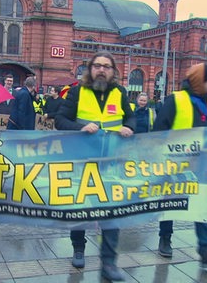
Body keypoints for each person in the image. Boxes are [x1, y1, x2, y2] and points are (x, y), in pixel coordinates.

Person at [55, 51, 136, 281]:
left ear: (113, 71)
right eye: (97, 65)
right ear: (90, 69)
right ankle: (78, 248)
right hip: (83, 162)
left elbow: (131, 118)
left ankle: (109, 262)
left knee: (112, 210)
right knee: (80, 207)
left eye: (107, 66)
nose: (101, 69)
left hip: (111, 163)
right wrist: (79, 129)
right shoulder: (77, 92)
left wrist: (129, 128)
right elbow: (60, 120)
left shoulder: (120, 93)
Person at [154, 62, 207, 268]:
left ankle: (206, 249)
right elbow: (157, 131)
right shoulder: (176, 100)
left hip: (203, 166)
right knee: (170, 202)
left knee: (203, 203)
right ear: (200, 80)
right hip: (174, 164)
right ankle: (165, 239)